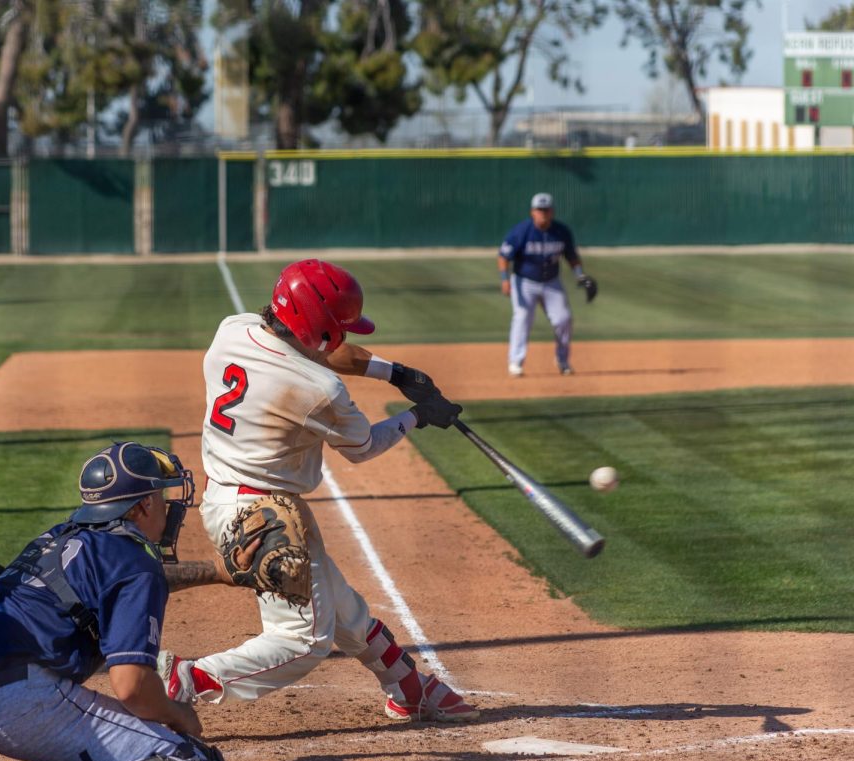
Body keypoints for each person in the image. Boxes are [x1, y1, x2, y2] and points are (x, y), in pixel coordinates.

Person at [158, 259, 478, 725]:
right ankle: (181, 681)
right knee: (301, 641)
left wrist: (396, 373)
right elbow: (364, 447)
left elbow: (318, 348)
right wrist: (419, 416)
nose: (343, 338)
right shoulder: (318, 388)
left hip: (225, 496)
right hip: (263, 518)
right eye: (339, 329)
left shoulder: (233, 329)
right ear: (321, 331)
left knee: (338, 602)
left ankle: (409, 686)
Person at [0, 442, 229, 761]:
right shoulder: (136, 565)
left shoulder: (60, 536)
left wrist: (217, 572)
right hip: (13, 706)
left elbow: (120, 583)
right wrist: (178, 715)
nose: (170, 507)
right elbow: (132, 688)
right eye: (162, 494)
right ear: (145, 504)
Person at [497, 192, 596, 377]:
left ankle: (562, 360)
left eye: (546, 209)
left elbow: (572, 257)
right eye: (539, 209)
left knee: (563, 319)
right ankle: (515, 362)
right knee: (523, 317)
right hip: (524, 282)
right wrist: (504, 279)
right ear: (532, 212)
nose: (543, 213)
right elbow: (503, 257)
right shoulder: (521, 231)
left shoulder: (561, 231)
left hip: (551, 282)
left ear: (552, 212)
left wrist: (580, 275)